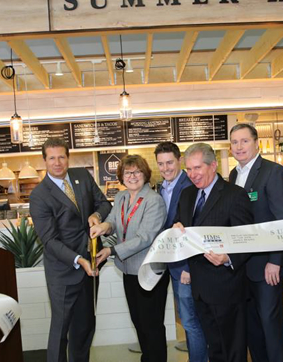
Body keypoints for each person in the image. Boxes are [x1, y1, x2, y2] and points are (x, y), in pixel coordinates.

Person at [30, 137, 112, 362]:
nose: (58, 162)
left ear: (68, 157)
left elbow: (104, 203)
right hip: (64, 271)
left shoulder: (82, 177)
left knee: (85, 326)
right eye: (52, 158)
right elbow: (49, 240)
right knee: (60, 330)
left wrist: (96, 215)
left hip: (92, 264)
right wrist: (78, 260)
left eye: (62, 157)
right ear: (44, 161)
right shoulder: (39, 195)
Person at [174, 143, 254, 362]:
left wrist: (228, 257)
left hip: (227, 287)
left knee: (233, 350)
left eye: (197, 168)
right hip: (200, 288)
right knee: (215, 348)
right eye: (188, 169)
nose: (192, 175)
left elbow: (247, 238)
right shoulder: (187, 195)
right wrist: (176, 228)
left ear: (213, 165)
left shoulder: (234, 195)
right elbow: (179, 223)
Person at [91, 154, 169, 362]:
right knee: (138, 320)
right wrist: (104, 227)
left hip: (149, 271)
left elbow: (145, 237)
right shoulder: (121, 197)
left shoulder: (154, 201)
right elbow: (113, 220)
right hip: (128, 269)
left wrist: (111, 251)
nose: (132, 176)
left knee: (151, 323)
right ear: (121, 176)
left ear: (145, 174)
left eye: (137, 172)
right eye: (128, 172)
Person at [228, 123, 283, 362]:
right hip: (242, 266)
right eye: (234, 142)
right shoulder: (234, 175)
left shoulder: (272, 172)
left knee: (270, 324)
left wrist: (275, 260)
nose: (239, 146)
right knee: (251, 326)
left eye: (244, 141)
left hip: (267, 267)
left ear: (256, 143)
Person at [154, 142, 208, 362]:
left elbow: (194, 229)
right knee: (187, 319)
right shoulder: (162, 187)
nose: (166, 168)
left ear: (179, 161)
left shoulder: (190, 185)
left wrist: (187, 268)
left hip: (185, 267)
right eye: (161, 164)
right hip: (172, 265)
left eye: (169, 162)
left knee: (190, 320)